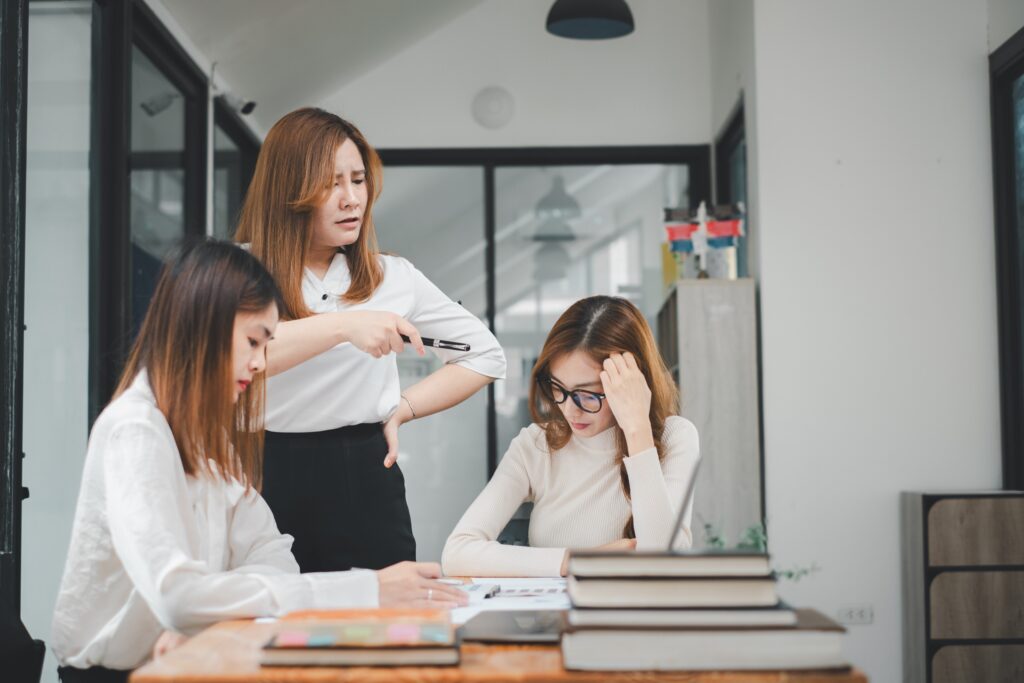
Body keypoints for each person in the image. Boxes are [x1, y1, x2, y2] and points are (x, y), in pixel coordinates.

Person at [51, 241, 466, 683]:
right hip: (116, 674)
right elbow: (177, 596)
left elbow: (274, 557)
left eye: (266, 344)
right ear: (200, 327)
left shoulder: (210, 440)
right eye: (253, 341)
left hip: (191, 661)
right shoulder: (135, 430)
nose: (260, 363)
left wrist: (205, 615)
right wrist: (366, 589)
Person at [235, 108, 505, 572]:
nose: (350, 199)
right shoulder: (237, 271)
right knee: (270, 622)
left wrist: (402, 409)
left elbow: (485, 355)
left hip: (364, 475)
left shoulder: (392, 276)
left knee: (386, 628)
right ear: (288, 189)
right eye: (331, 183)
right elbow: (229, 355)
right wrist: (344, 326)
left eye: (358, 181)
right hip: (261, 472)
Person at [442, 295, 700, 578]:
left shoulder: (676, 437)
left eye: (587, 394)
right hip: (555, 621)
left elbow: (662, 564)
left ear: (631, 383)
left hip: (636, 620)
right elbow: (457, 553)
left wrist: (636, 427)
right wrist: (576, 561)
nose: (569, 409)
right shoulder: (536, 446)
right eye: (558, 388)